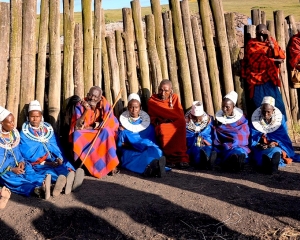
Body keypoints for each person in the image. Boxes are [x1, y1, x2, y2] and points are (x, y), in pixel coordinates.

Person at [19, 100, 84, 196]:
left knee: (63, 166)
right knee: (48, 172)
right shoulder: (24, 133)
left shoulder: (47, 129)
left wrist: (58, 158)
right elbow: (27, 153)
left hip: (53, 160)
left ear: (41, 116)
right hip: (39, 163)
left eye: (37, 116)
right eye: (32, 116)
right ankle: (61, 183)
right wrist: (47, 162)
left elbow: (55, 145)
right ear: (28, 117)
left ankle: (69, 180)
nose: (35, 119)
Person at [0, 106, 51, 199]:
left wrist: (21, 162)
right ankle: (36, 190)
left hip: (17, 165)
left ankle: (45, 185)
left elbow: (18, 153)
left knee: (29, 169)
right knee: (12, 179)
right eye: (9, 122)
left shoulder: (14, 135)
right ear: (1, 123)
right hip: (4, 171)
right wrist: (11, 169)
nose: (13, 124)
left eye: (13, 121)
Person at [69, 86, 119, 178]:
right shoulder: (80, 105)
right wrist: (87, 110)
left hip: (99, 131)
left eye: (95, 97)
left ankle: (111, 166)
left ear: (100, 98)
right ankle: (85, 166)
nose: (92, 98)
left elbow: (111, 122)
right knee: (77, 135)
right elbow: (77, 126)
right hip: (86, 131)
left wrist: (96, 125)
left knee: (107, 131)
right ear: (87, 95)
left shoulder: (105, 105)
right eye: (90, 95)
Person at [241, 23, 286, 117]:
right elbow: (255, 63)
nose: (261, 38)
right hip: (256, 80)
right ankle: (262, 129)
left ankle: (280, 128)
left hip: (270, 79)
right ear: (256, 34)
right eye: (259, 35)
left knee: (277, 105)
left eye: (263, 35)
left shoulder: (271, 42)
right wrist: (274, 60)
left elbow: (281, 56)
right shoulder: (252, 44)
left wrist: (271, 42)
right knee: (260, 106)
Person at [117, 93, 166, 177]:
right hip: (131, 150)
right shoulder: (122, 128)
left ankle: (154, 167)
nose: (133, 109)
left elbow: (152, 142)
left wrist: (144, 145)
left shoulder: (148, 126)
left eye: (136, 107)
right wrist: (134, 145)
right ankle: (152, 168)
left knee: (156, 150)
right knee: (142, 156)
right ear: (128, 108)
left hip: (147, 148)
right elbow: (120, 145)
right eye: (131, 107)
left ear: (140, 108)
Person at [249, 96, 298, 174]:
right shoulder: (254, 121)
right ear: (260, 110)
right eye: (263, 111)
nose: (266, 114)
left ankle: (273, 164)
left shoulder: (280, 120)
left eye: (268, 111)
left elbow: (283, 137)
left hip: (276, 147)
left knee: (276, 150)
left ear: (273, 110)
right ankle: (269, 163)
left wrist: (275, 143)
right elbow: (253, 138)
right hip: (261, 148)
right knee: (259, 155)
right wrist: (259, 144)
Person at [148, 79, 189, 169]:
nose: (162, 93)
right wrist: (163, 120)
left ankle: (181, 158)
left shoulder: (174, 98)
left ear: (171, 90)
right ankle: (170, 159)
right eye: (160, 90)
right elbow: (151, 117)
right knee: (163, 128)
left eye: (166, 91)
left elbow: (179, 115)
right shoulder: (152, 100)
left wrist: (172, 120)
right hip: (162, 123)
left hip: (175, 123)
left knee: (182, 123)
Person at [214, 91, 250, 172]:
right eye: (223, 106)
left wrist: (234, 142)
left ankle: (236, 160)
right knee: (228, 151)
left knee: (239, 151)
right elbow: (217, 137)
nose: (224, 109)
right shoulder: (219, 120)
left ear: (233, 106)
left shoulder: (242, 120)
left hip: (240, 146)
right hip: (225, 146)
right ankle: (236, 161)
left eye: (227, 107)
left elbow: (243, 135)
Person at [185, 101, 217, 170]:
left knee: (208, 149)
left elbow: (210, 134)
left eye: (199, 118)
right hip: (193, 145)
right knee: (196, 149)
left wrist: (203, 138)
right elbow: (186, 136)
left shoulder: (208, 120)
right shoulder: (186, 122)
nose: (197, 120)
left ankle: (208, 159)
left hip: (206, 143)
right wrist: (196, 138)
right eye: (195, 118)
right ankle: (203, 162)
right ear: (191, 115)